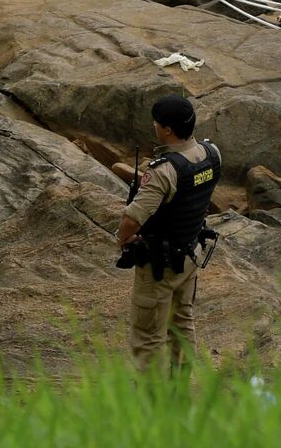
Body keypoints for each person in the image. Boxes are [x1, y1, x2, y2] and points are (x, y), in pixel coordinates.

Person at [115, 93, 221, 368]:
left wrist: (122, 239)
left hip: (159, 265)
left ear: (167, 130)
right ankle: (179, 394)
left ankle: (152, 405)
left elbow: (133, 219)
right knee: (182, 323)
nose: (154, 126)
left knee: (148, 337)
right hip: (190, 254)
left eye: (157, 123)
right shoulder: (211, 154)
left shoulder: (164, 171)